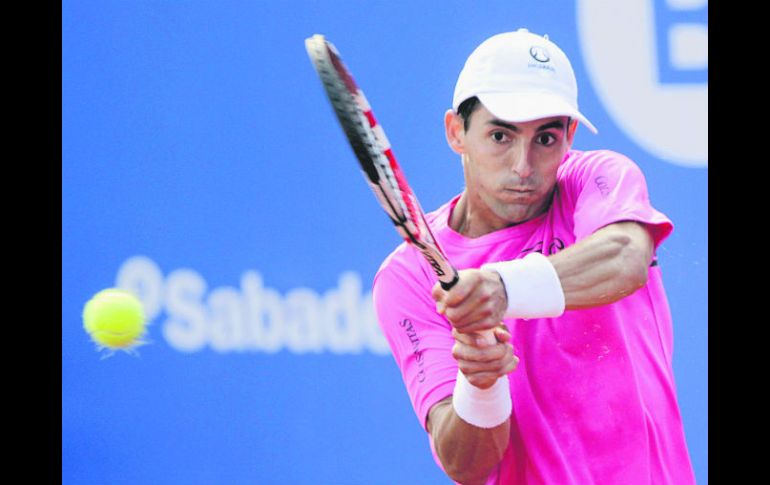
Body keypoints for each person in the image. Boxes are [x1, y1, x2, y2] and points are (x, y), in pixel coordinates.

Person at [372, 29, 696, 485]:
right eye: (501, 135)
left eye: (545, 139)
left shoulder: (595, 180)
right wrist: (480, 383)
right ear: (456, 132)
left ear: (569, 137)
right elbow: (466, 465)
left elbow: (626, 259)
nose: (523, 166)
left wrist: (501, 289)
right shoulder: (407, 276)